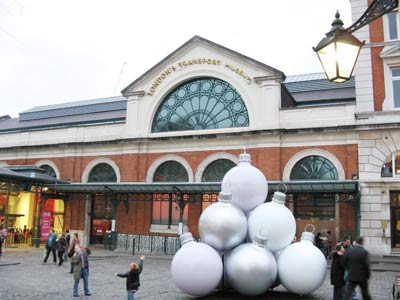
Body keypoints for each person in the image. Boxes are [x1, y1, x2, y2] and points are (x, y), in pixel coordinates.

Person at [342, 235, 358, 300]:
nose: (342, 243)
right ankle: (353, 297)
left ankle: (353, 297)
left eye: (343, 241)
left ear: (345, 241)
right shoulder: (350, 248)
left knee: (349, 285)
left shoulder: (347, 249)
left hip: (349, 270)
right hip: (351, 270)